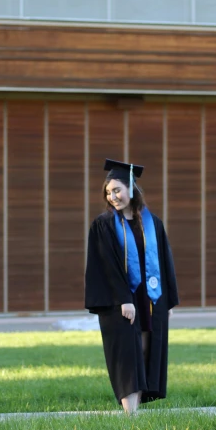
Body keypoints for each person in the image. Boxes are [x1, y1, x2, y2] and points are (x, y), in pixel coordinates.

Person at [85, 158, 179, 414]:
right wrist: (123, 299)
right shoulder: (104, 225)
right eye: (108, 192)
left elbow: (164, 260)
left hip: (149, 298)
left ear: (131, 189)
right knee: (128, 351)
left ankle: (136, 409)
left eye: (117, 190)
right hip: (121, 301)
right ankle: (130, 414)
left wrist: (167, 300)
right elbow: (107, 265)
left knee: (146, 348)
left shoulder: (152, 223)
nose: (112, 196)